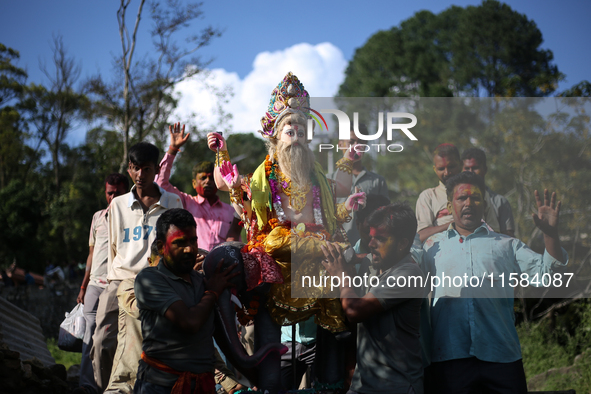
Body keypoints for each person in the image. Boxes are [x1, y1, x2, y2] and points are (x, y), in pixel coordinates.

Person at [206, 72, 366, 390]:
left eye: (300, 129)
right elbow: (228, 185)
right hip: (278, 255)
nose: (294, 134)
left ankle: (335, 377)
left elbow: (337, 197)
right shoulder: (265, 172)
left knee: (345, 277)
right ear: (276, 136)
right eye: (288, 128)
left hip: (320, 259)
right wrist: (221, 154)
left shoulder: (316, 173)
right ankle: (259, 378)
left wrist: (348, 160)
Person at [417, 171, 567, 393]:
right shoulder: (431, 247)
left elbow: (548, 275)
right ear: (449, 206)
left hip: (502, 356)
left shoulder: (506, 245)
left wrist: (551, 235)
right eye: (461, 198)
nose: (469, 203)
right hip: (449, 358)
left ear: (484, 205)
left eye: (475, 198)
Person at [91, 142, 183, 393]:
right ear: (129, 169)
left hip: (159, 281)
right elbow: (112, 247)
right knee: (101, 341)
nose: (140, 175)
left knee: (152, 345)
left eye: (146, 168)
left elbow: (178, 246)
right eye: (134, 168)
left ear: (156, 169)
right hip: (121, 279)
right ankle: (105, 388)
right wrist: (112, 281)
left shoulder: (173, 202)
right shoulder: (118, 205)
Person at [321, 203, 425, 394]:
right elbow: (365, 256)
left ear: (402, 243)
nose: (371, 244)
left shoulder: (409, 274)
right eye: (371, 237)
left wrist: (342, 276)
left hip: (396, 386)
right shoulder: (377, 263)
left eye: (380, 239)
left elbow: (354, 311)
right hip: (363, 384)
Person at [133, 208, 239, 394]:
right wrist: (213, 291)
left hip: (203, 386)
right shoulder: (149, 279)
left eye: (193, 241)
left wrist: (255, 377)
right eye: (180, 243)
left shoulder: (201, 282)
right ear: (160, 246)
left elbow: (222, 340)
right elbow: (190, 322)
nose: (189, 249)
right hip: (161, 387)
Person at [74, 173, 129, 394]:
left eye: (118, 192)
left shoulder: (131, 217)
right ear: (105, 193)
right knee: (89, 333)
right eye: (110, 193)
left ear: (127, 192)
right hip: (96, 285)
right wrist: (83, 285)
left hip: (118, 283)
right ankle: (88, 385)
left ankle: (112, 383)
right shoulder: (98, 217)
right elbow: (91, 253)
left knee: (111, 336)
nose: (113, 196)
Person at [155, 123, 242, 252]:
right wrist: (173, 149)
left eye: (211, 178)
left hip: (224, 268)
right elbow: (160, 184)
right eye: (202, 178)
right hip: (192, 266)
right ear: (194, 183)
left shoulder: (231, 211)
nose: (208, 181)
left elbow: (236, 244)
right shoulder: (185, 203)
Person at [327, 123, 389, 245]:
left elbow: (386, 219)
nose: (356, 146)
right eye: (351, 142)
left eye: (361, 142)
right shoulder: (327, 180)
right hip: (336, 247)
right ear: (340, 144)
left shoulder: (377, 181)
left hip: (369, 248)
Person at [461, 147, 515, 236]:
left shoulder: (500, 202)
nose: (470, 172)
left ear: (484, 169)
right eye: (467, 168)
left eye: (475, 168)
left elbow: (508, 237)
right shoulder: (456, 200)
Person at [416, 143, 462, 242]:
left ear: (460, 164)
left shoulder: (477, 193)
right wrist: (455, 224)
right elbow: (422, 236)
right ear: (434, 169)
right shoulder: (428, 196)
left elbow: (494, 230)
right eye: (441, 169)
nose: (447, 172)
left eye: (451, 167)